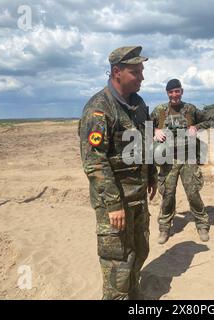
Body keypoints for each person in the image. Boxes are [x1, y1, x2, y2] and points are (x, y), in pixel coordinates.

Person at [79, 46, 157, 300]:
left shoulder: (139, 104)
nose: (142, 77)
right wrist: (113, 204)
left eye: (142, 70)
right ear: (117, 72)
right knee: (118, 263)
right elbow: (94, 161)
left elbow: (145, 142)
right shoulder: (99, 109)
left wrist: (152, 174)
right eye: (136, 72)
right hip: (116, 202)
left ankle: (133, 296)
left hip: (137, 197)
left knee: (140, 249)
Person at [151, 79, 210, 244]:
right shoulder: (160, 111)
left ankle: (202, 223)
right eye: (171, 92)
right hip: (167, 159)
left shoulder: (190, 109)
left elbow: (208, 120)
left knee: (193, 192)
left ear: (181, 92)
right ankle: (164, 227)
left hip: (188, 156)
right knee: (168, 194)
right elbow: (144, 125)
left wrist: (196, 127)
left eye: (177, 91)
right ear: (167, 93)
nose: (174, 95)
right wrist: (154, 130)